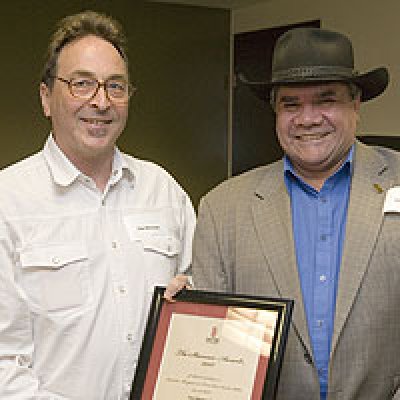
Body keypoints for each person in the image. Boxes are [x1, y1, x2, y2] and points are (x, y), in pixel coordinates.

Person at [192, 27, 400, 400]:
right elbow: (214, 352)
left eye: (326, 100)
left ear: (355, 104)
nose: (307, 119)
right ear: (275, 111)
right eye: (291, 104)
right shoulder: (222, 209)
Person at [0, 10, 195, 399]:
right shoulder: (8, 203)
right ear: (46, 97)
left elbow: (200, 298)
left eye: (115, 87)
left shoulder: (164, 191)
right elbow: (5, 364)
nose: (101, 102)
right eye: (81, 84)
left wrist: (194, 299)